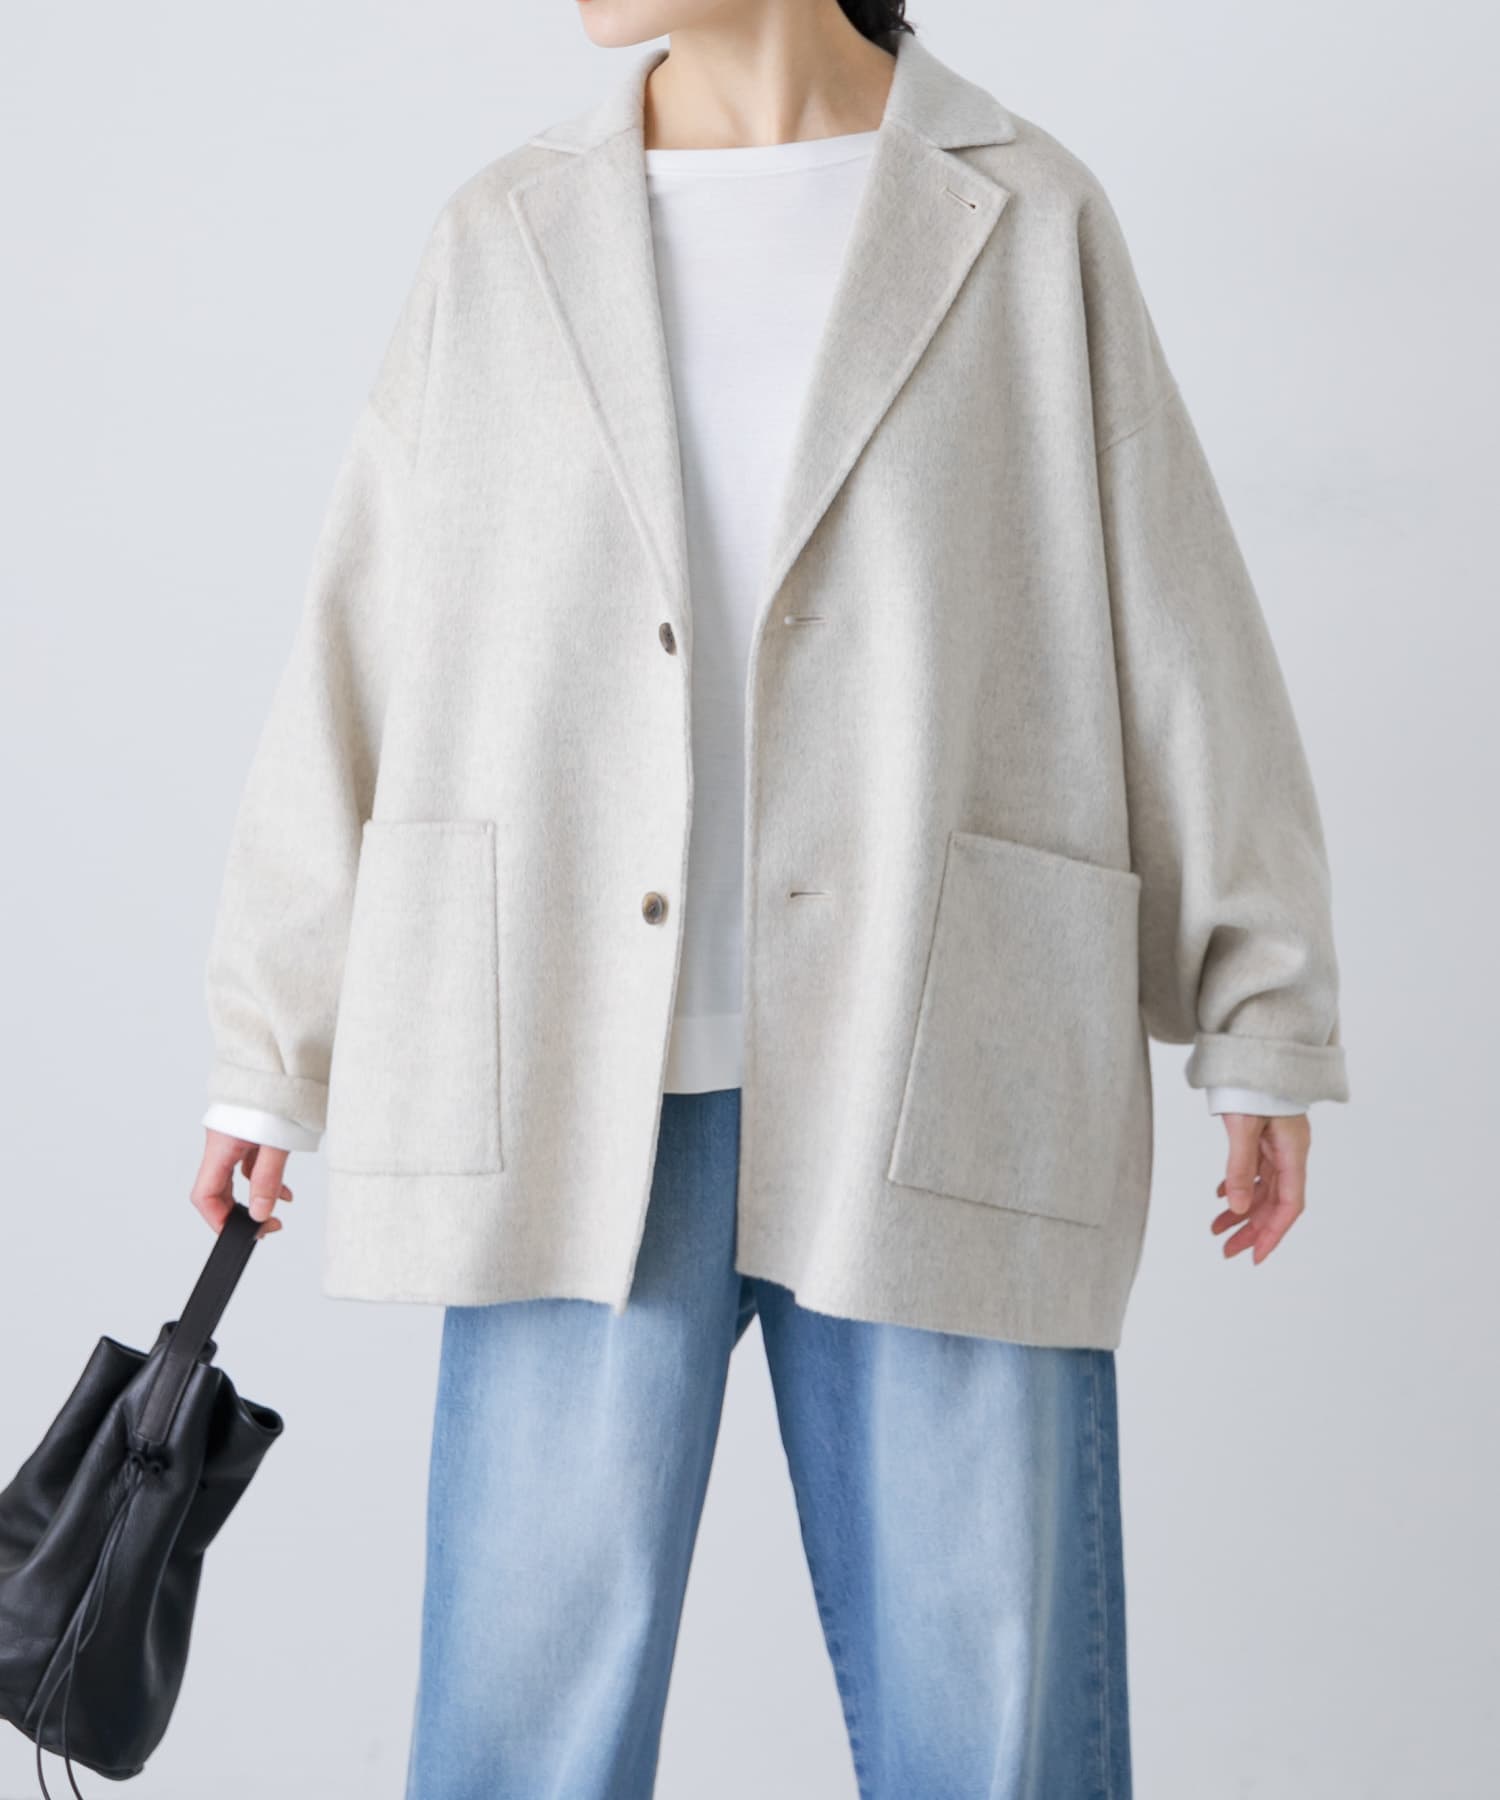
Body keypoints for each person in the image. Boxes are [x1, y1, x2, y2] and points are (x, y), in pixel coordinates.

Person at [191, 2, 1350, 1794]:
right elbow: (365, 632)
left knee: (997, 1735)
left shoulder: (1027, 215)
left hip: (940, 1057)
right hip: (575, 1073)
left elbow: (1176, 618)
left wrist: (1260, 1003)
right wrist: (273, 1046)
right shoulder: (503, 233)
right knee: (520, 1742)